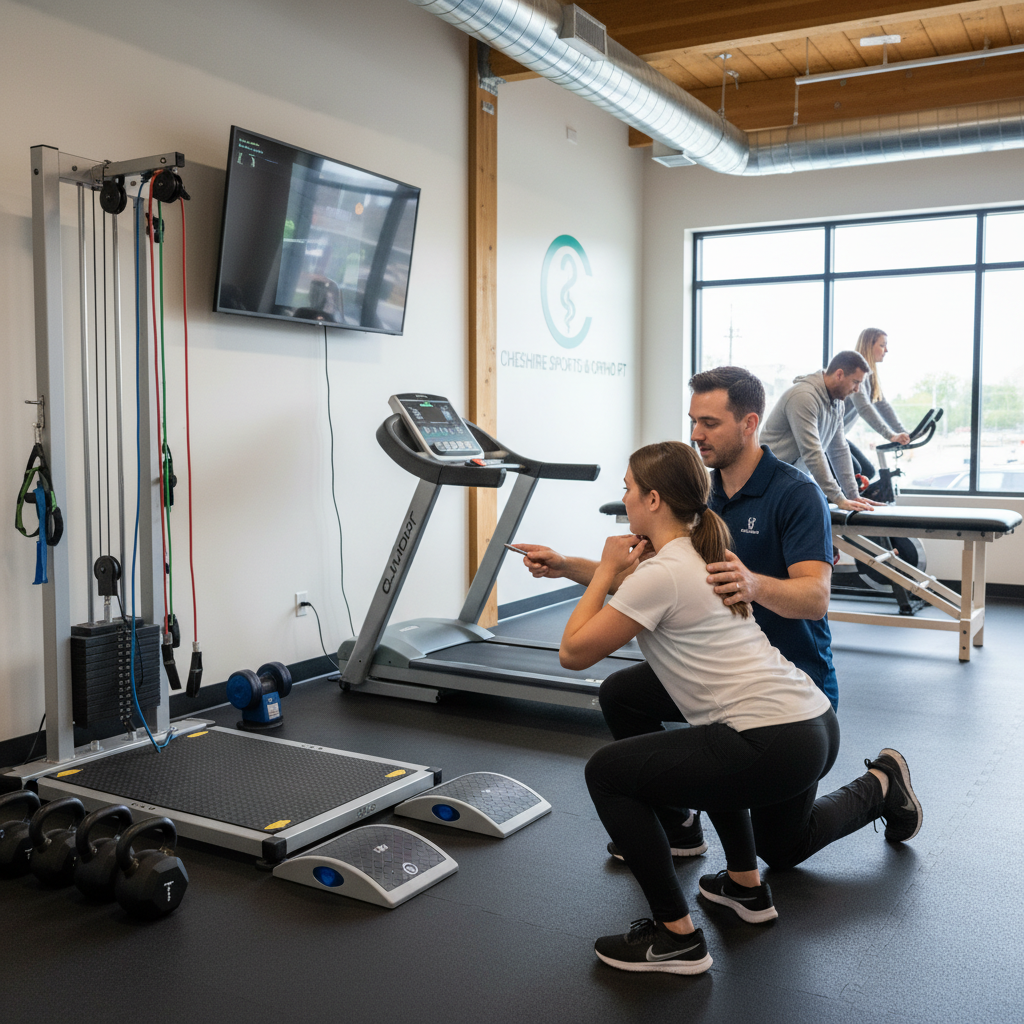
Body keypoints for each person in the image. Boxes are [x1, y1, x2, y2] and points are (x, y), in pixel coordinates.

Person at [564, 441, 922, 975]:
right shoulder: (698, 553)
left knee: (608, 774)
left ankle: (676, 938)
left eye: (628, 489)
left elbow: (574, 652)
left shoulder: (660, 573)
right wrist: (585, 567)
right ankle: (746, 887)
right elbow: (639, 594)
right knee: (707, 743)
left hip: (773, 741)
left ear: (654, 500)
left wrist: (602, 569)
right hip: (811, 723)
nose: (625, 498)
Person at [517, 365, 842, 859]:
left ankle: (881, 785)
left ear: (750, 423)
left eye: (710, 422)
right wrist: (567, 566)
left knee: (781, 849)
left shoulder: (795, 494)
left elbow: (815, 597)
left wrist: (752, 584)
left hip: (791, 682)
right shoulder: (699, 495)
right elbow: (650, 582)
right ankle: (680, 823)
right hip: (720, 672)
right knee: (622, 693)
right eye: (693, 420)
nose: (695, 433)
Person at [760, 351, 879, 511]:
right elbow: (812, 452)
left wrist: (852, 495)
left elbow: (839, 450)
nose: (857, 389)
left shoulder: (837, 403)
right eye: (855, 382)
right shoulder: (803, 397)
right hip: (768, 483)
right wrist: (838, 498)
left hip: (791, 481)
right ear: (839, 374)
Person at [844, 328, 911, 485]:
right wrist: (890, 435)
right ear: (869, 346)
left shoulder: (870, 375)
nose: (886, 350)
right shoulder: (854, 370)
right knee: (857, 473)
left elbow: (882, 405)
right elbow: (864, 408)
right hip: (826, 438)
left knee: (867, 472)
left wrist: (903, 432)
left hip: (837, 436)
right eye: (882, 345)